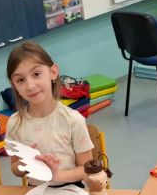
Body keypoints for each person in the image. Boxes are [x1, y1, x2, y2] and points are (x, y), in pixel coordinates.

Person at [6, 41, 94, 185]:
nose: (30, 86)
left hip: (71, 189)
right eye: (20, 80)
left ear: (53, 72)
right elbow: (15, 168)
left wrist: (57, 176)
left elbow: (87, 169)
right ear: (14, 86)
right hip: (36, 191)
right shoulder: (14, 123)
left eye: (36, 74)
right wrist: (25, 162)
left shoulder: (73, 120)